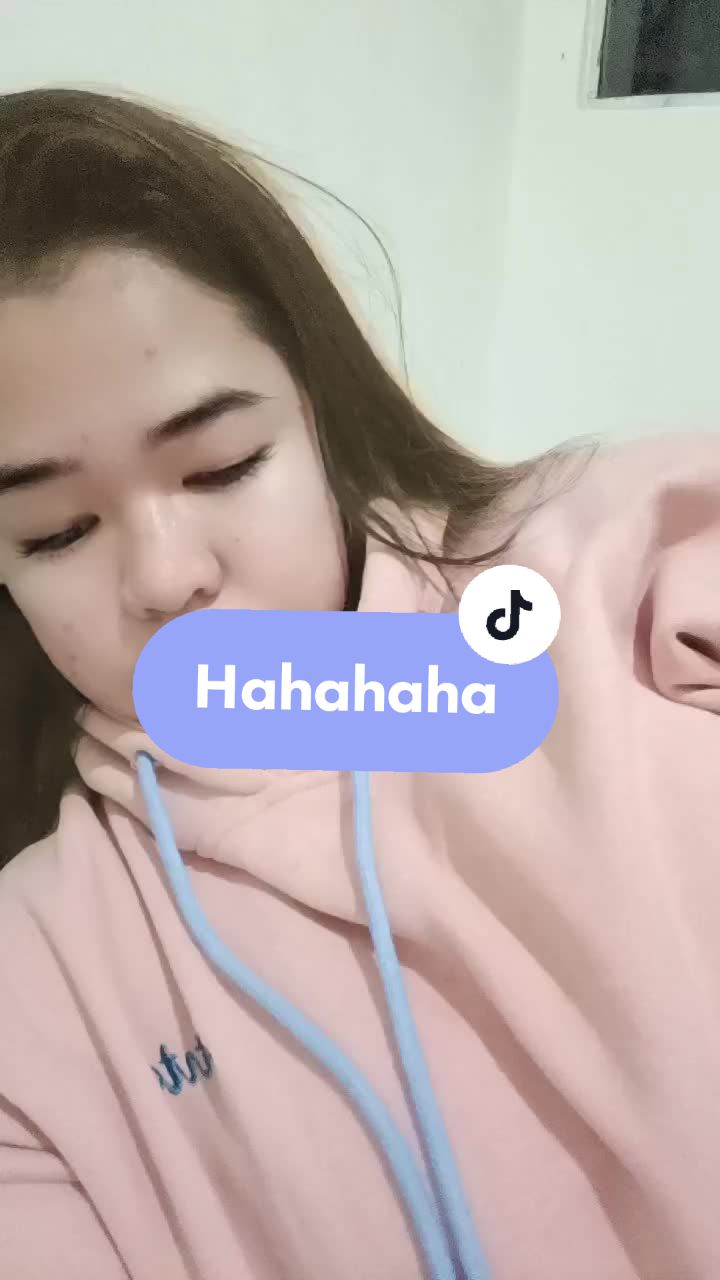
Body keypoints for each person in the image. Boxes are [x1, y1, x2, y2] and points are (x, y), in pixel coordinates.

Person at [0, 86, 718, 1280]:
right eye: (56, 532)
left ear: (317, 410)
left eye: (223, 464)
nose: (167, 577)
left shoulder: (619, 566)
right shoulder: (36, 976)